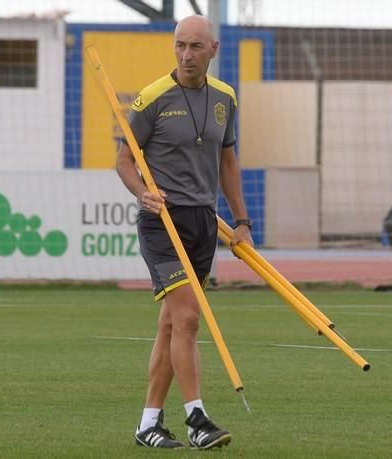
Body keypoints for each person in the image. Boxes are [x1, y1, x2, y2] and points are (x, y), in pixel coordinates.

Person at [115, 14, 254, 450]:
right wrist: (143, 193)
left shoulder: (226, 99)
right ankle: (197, 418)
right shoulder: (152, 99)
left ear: (213, 49)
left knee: (172, 327)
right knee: (189, 319)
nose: (186, 55)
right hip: (162, 223)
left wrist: (243, 223)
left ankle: (147, 424)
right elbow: (123, 161)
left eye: (195, 47)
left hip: (203, 223)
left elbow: (228, 163)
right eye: (180, 46)